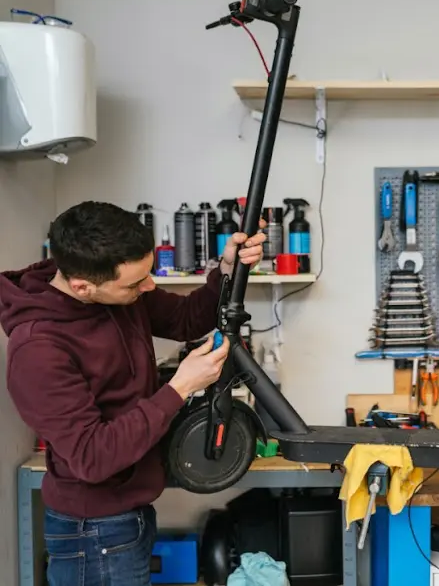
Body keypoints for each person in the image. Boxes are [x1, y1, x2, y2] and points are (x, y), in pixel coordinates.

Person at [0, 200, 267, 586]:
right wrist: (180, 387)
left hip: (130, 515)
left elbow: (185, 318)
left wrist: (226, 270)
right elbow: (92, 457)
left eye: (148, 274)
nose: (149, 286)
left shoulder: (114, 289)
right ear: (82, 286)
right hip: (92, 533)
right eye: (135, 283)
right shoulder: (38, 349)